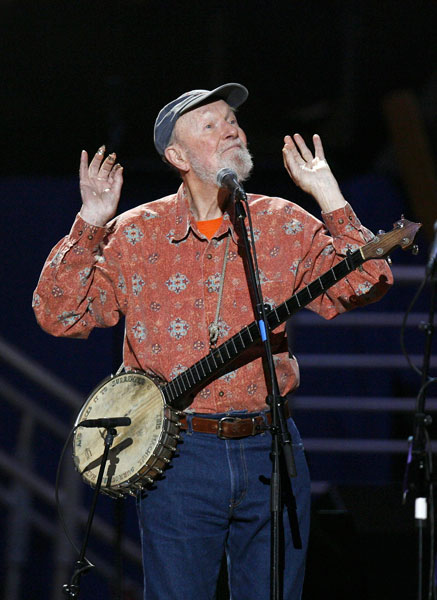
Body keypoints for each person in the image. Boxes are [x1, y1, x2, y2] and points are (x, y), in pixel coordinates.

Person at [33, 83, 392, 599]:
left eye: (233, 121)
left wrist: (327, 193)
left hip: (271, 449)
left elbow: (368, 282)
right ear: (176, 155)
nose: (232, 130)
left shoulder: (282, 222)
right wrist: (90, 219)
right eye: (212, 124)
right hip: (181, 457)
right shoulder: (137, 233)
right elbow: (58, 314)